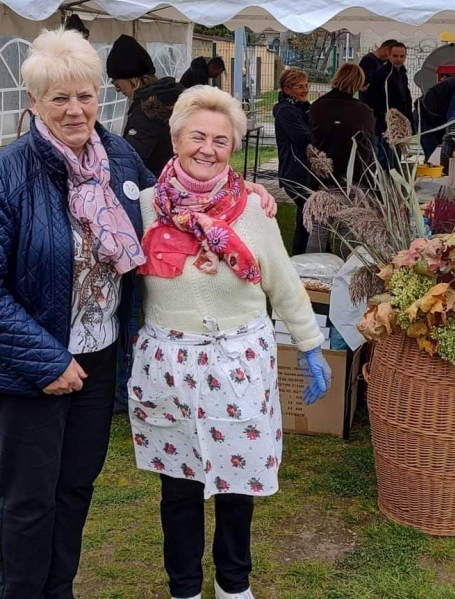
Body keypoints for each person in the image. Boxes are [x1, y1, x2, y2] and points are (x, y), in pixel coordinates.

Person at [0, 28, 155, 599]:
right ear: (35, 104)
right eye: (59, 98)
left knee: (74, 488)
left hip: (96, 358)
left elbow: (169, 206)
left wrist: (246, 196)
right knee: (29, 498)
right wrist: (46, 362)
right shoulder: (2, 177)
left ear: (100, 96)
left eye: (85, 95)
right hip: (28, 371)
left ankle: (58, 588)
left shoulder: (119, 159)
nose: (75, 110)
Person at [131, 86, 331, 599]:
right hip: (168, 365)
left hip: (237, 364)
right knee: (179, 486)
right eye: (197, 136)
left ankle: (233, 584)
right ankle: (184, 588)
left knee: (236, 483)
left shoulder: (253, 210)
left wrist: (310, 344)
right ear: (176, 139)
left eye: (221, 140)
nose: (208, 148)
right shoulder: (147, 207)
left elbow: (283, 284)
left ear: (234, 148)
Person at [107, 34, 184, 178]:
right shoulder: (172, 97)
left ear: (132, 77)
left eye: (116, 81)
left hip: (155, 189)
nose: (117, 88)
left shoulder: (146, 110)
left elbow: (132, 160)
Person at [309, 62, 375, 185]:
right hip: (353, 175)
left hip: (321, 173)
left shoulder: (317, 106)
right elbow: (368, 144)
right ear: (359, 83)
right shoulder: (363, 110)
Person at [272, 68, 311, 254]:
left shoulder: (300, 107)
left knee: (307, 215)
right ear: (287, 90)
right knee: (308, 214)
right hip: (294, 171)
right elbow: (303, 137)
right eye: (299, 87)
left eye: (306, 86)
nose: (304, 90)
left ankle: (305, 255)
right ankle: (301, 256)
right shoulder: (285, 110)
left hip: (302, 169)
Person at [367, 42, 414, 167]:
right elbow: (371, 98)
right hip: (385, 125)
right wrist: (385, 115)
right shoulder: (382, 74)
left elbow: (406, 97)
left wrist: (408, 118)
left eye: (402, 56)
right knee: (385, 159)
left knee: (396, 158)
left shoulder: (402, 73)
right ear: (388, 55)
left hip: (399, 125)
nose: (398, 59)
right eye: (395, 56)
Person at [358, 39, 398, 109]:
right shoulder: (369, 60)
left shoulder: (380, 62)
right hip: (370, 105)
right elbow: (364, 85)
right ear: (386, 49)